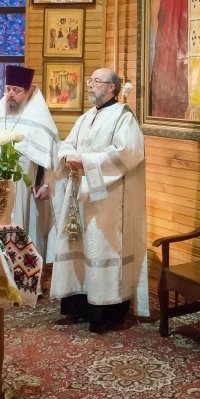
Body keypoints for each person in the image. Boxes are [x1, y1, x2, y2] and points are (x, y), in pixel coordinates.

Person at [51, 69, 149, 333]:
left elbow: (128, 153)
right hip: (80, 193)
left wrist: (85, 161)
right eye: (90, 80)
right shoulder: (86, 116)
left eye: (96, 81)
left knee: (103, 248)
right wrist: (67, 157)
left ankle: (105, 312)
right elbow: (67, 143)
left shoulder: (123, 117)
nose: (90, 85)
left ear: (111, 88)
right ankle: (80, 305)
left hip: (107, 198)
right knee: (80, 245)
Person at [0, 65, 59, 260]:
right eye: (8, 89)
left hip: (22, 186)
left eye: (16, 90)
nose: (10, 94)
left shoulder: (40, 121)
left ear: (28, 91)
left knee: (20, 222)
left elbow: (49, 158)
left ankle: (21, 265)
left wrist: (46, 184)